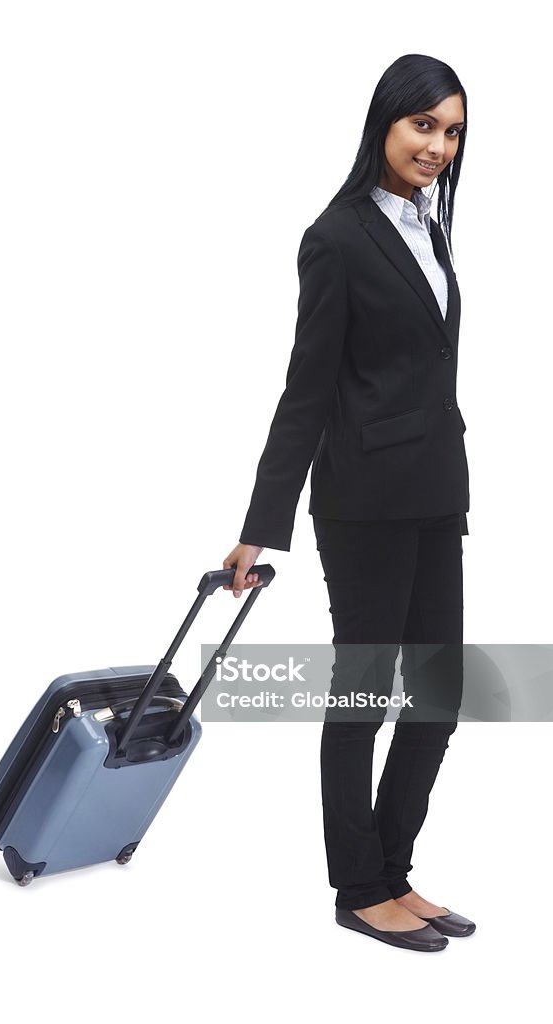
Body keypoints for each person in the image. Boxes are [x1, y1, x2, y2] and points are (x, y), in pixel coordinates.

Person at [222, 53, 476, 953]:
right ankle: (357, 885)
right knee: (364, 696)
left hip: (435, 498)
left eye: (451, 131)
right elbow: (308, 390)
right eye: (422, 126)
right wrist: (263, 525)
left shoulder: (427, 229)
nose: (437, 145)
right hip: (364, 505)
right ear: (384, 123)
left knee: (438, 696)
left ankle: (394, 875)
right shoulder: (336, 237)